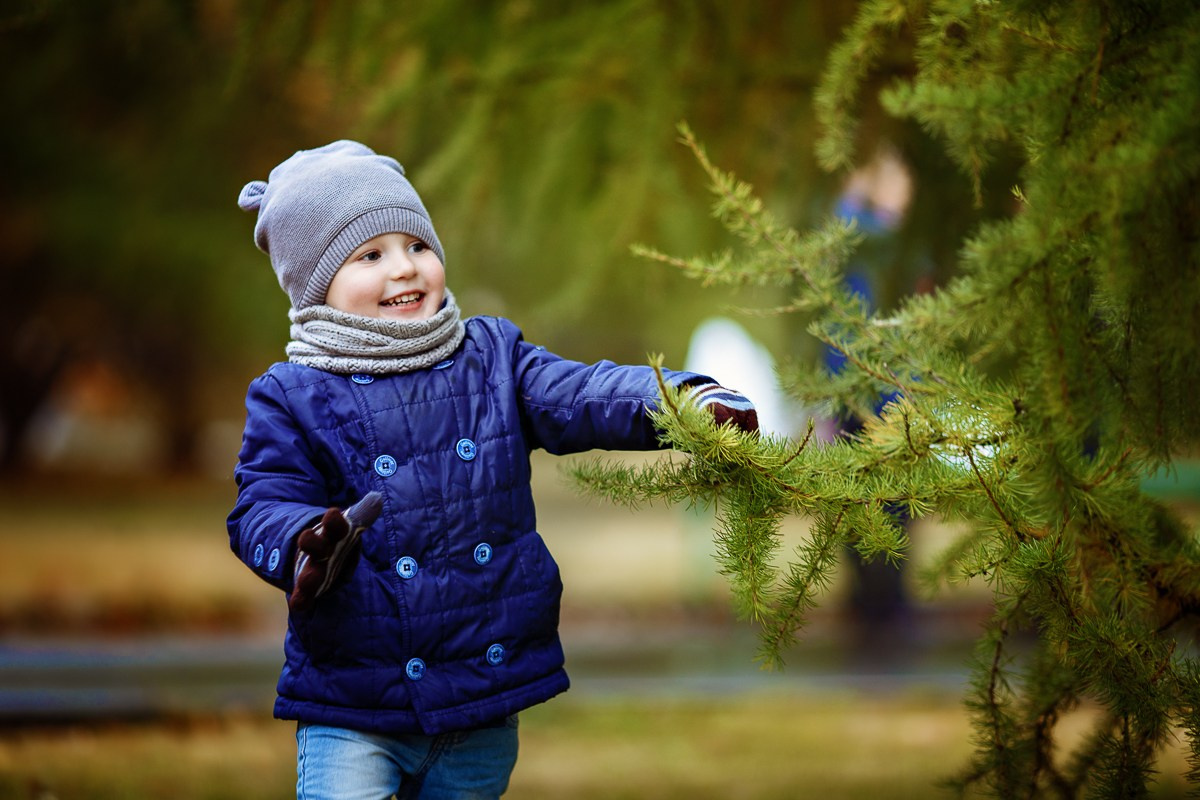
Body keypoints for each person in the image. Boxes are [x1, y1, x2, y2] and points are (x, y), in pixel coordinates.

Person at [228, 140, 757, 799]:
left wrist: (684, 400)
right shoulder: (293, 393)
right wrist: (305, 544)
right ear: (316, 283)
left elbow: (584, 394)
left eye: (417, 246)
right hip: (353, 704)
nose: (405, 269)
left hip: (478, 697)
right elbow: (262, 504)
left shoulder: (490, 358)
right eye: (370, 255)